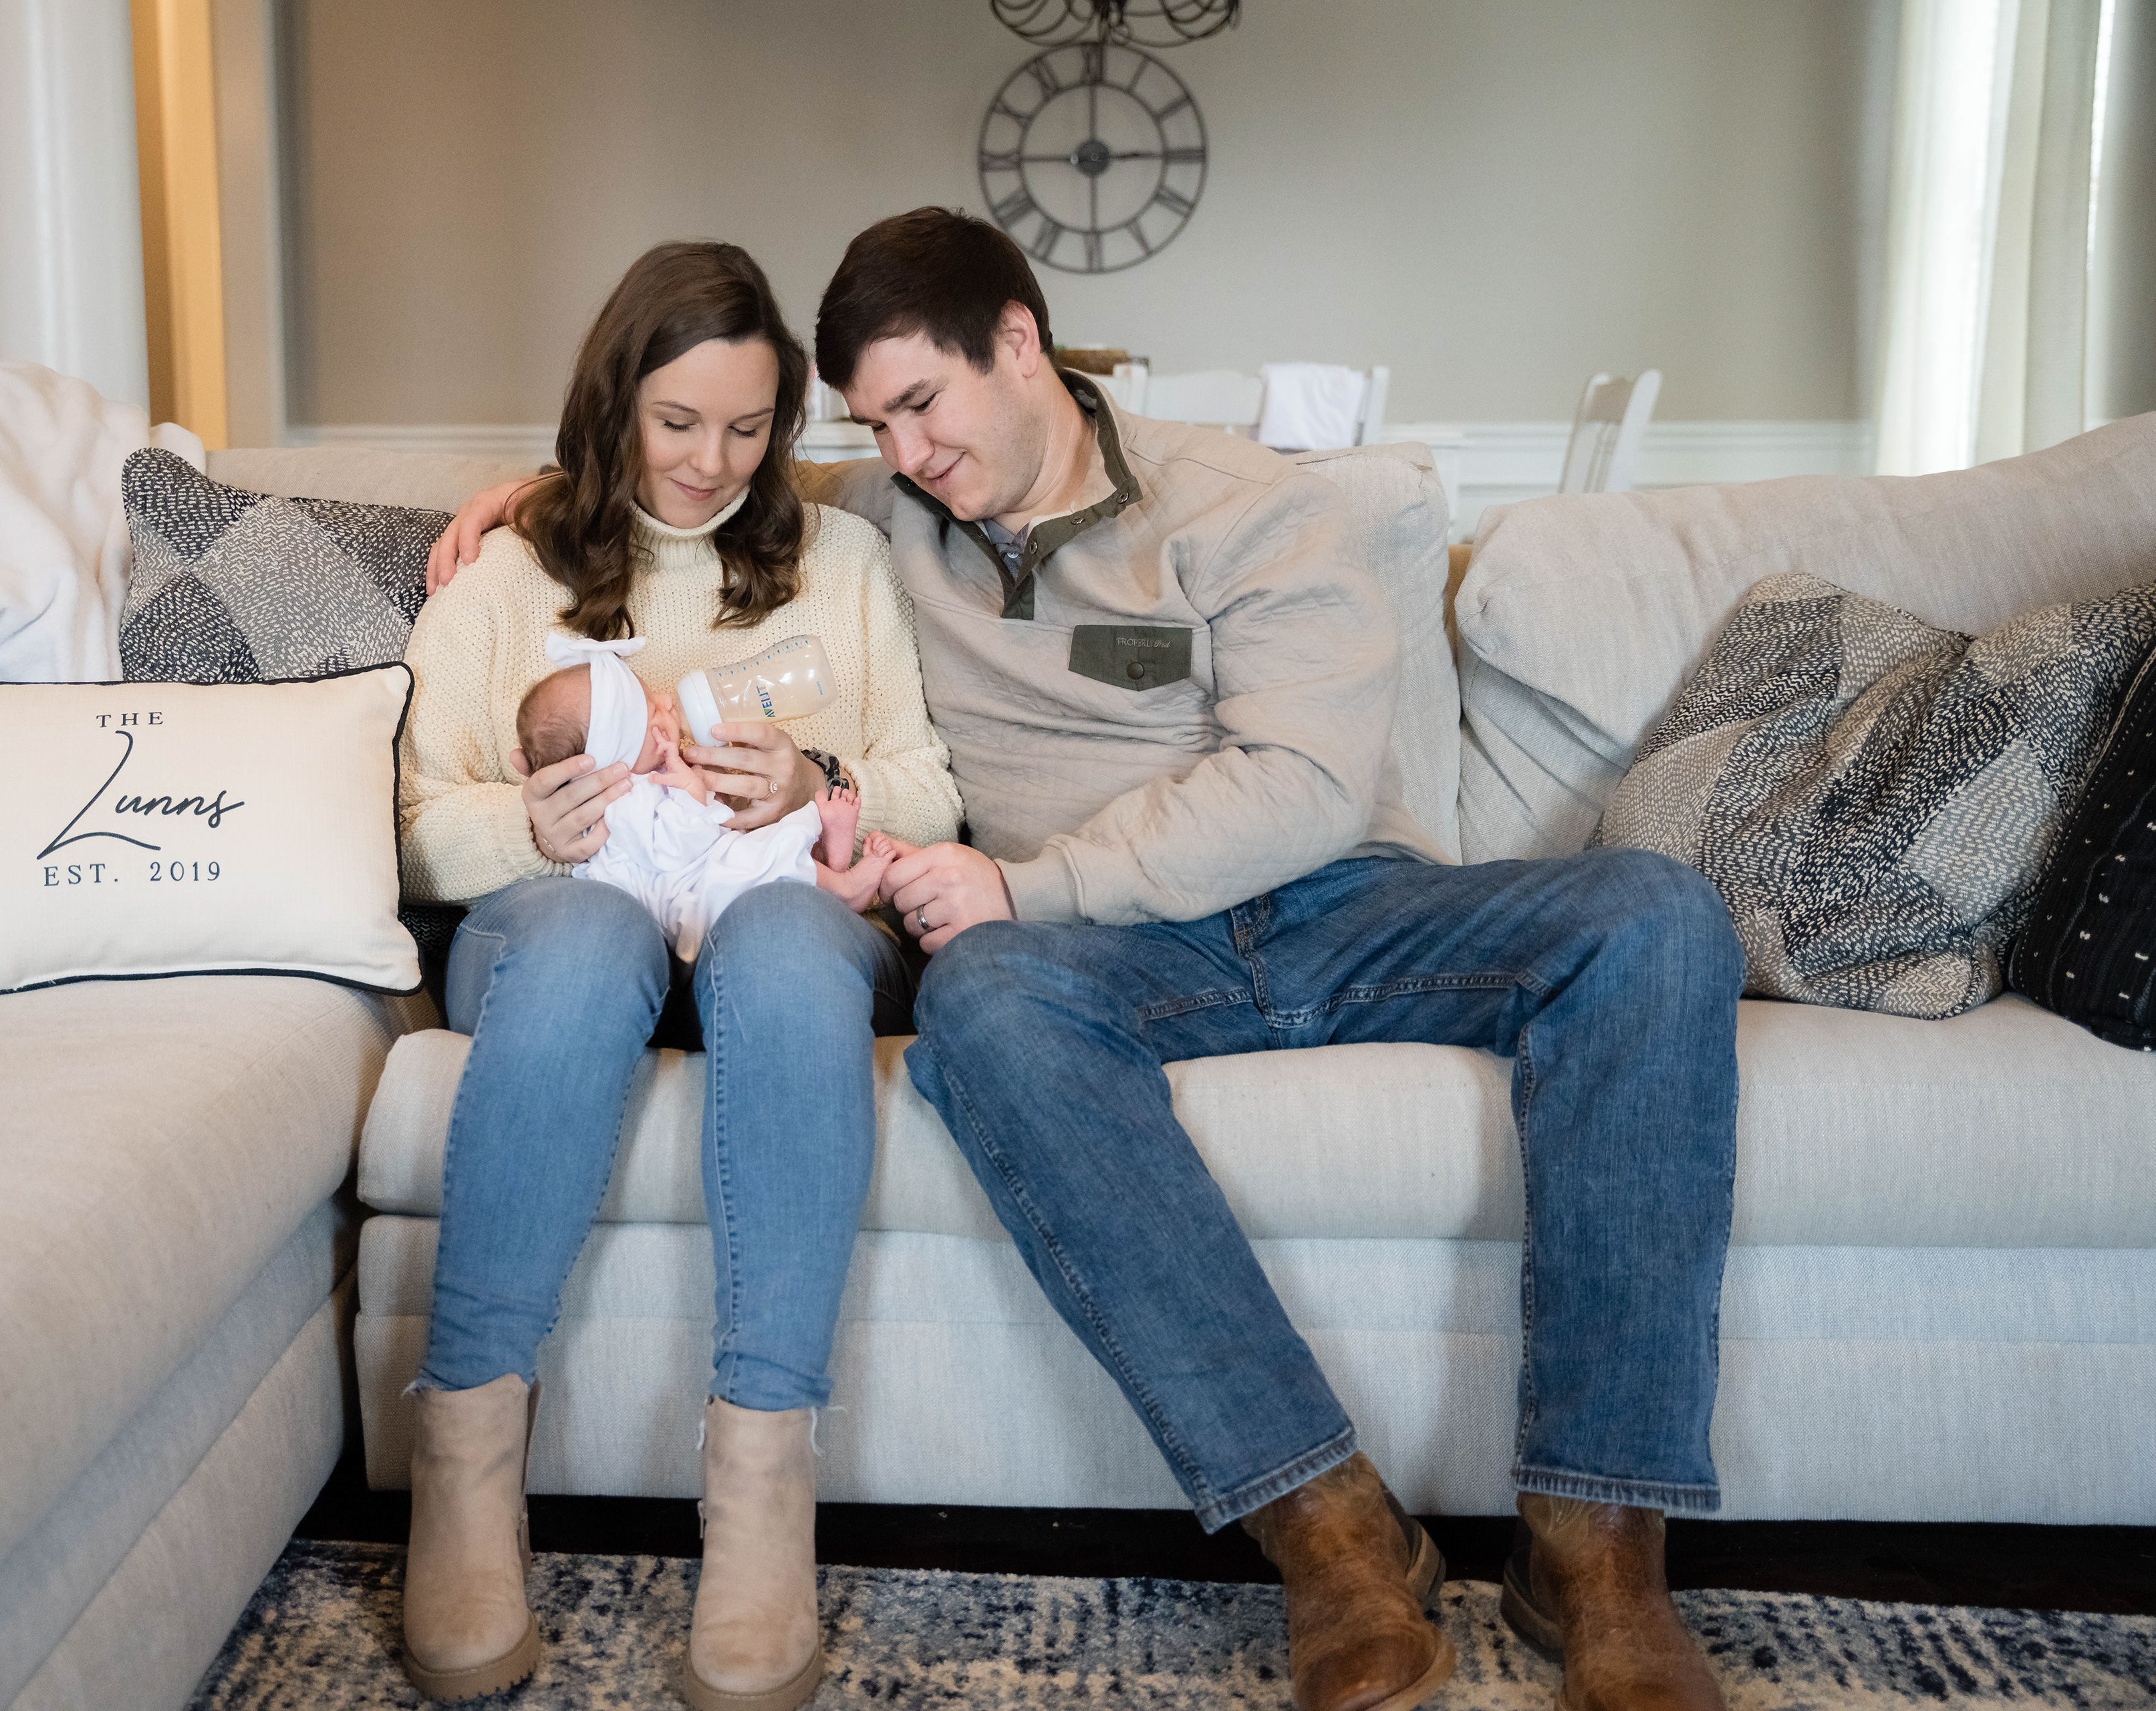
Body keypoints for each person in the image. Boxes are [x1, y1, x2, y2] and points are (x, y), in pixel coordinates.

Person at [436, 209, 1743, 1711]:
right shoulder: (890, 526)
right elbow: (703, 487)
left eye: (927, 404)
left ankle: (1597, 1538)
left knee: (1650, 914)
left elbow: (1305, 785)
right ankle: (1327, 1526)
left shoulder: (1254, 505)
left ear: (1020, 343)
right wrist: (548, 489)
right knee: (980, 1001)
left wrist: (1030, 878)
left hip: (1345, 907)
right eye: (878, 424)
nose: (912, 452)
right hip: (1101, 963)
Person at [395, 239, 960, 1711]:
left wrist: (819, 775)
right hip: (567, 912)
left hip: (782, 907)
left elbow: (926, 786)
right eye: (677, 421)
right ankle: (463, 1459)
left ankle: (765, 1481)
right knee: (587, 937)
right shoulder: (515, 567)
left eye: (751, 425)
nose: (714, 461)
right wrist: (526, 818)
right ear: (613, 402)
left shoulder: (836, 560)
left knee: (781, 955)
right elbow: (410, 817)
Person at [513, 633, 894, 946]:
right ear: (622, 752)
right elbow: (673, 846)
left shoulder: (648, 782)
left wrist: (809, 782)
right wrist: (693, 790)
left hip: (712, 878)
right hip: (694, 897)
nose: (666, 700)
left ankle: (835, 861)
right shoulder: (624, 802)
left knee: (769, 854)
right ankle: (845, 887)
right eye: (652, 709)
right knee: (766, 862)